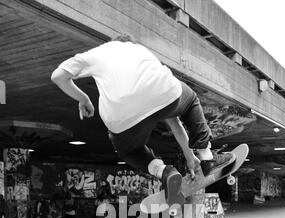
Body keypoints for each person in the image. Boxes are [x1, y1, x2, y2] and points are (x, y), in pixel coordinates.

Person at [51, 34, 233, 206]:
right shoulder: (141, 51)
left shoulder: (96, 53)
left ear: (114, 42)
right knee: (190, 100)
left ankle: (165, 173)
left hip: (119, 118)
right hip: (162, 92)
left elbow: (57, 76)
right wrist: (190, 156)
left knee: (130, 151)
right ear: (130, 42)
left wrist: (83, 99)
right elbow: (175, 122)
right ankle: (207, 157)